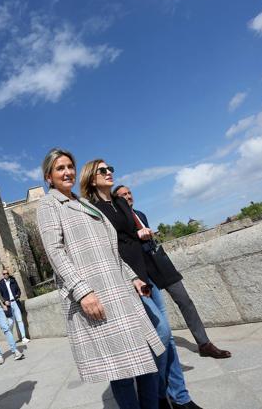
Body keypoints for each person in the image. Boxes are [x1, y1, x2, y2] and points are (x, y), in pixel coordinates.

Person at [36, 148, 164, 409]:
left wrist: (132, 277)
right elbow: (55, 252)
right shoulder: (48, 205)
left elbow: (110, 248)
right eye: (60, 168)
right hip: (98, 296)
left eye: (70, 166)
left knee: (148, 362)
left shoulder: (82, 202)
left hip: (120, 291)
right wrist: (82, 292)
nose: (67, 172)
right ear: (48, 177)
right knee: (122, 372)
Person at [81, 160, 203, 409]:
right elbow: (105, 245)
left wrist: (141, 234)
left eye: (110, 169)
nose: (109, 173)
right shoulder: (91, 209)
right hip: (126, 279)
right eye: (102, 171)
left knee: (166, 338)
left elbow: (131, 233)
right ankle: (157, 394)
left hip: (146, 274)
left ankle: (180, 398)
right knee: (161, 333)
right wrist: (134, 239)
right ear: (92, 178)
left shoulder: (121, 202)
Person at [113, 184, 231, 359]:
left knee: (185, 300)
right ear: (117, 200)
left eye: (129, 193)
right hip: (141, 268)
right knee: (154, 314)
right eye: (123, 195)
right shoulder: (118, 220)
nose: (128, 196)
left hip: (159, 262)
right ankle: (158, 355)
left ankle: (204, 344)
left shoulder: (141, 214)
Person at [0, 269, 30, 343]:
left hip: (15, 302)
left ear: (8, 274)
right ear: (2, 275)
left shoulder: (13, 281)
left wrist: (18, 295)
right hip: (8, 305)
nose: (6, 275)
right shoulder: (0, 284)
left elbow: (18, 290)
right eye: (4, 274)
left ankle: (23, 337)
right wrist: (4, 302)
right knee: (11, 322)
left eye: (7, 273)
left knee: (20, 320)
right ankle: (10, 338)